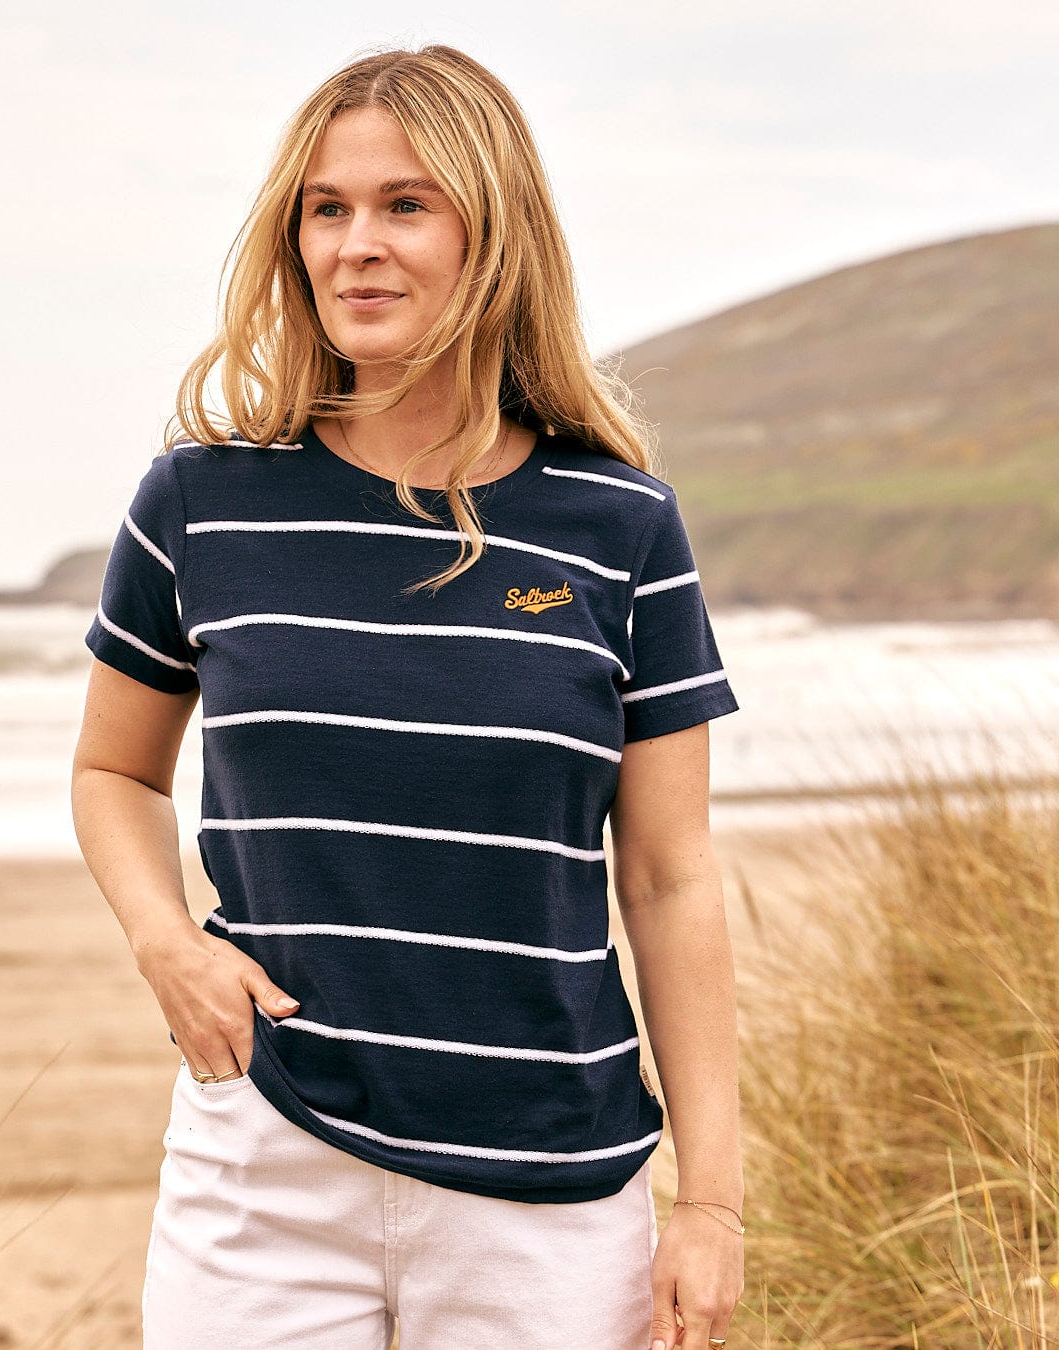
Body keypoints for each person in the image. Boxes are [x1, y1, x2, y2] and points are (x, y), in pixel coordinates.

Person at [71, 43, 745, 1350]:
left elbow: (669, 874)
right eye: (326, 208)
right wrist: (167, 941)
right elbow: (114, 773)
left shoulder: (619, 525)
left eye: (404, 204)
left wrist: (710, 1200)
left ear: (492, 233)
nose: (355, 246)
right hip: (264, 1160)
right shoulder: (201, 502)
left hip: (550, 1185)